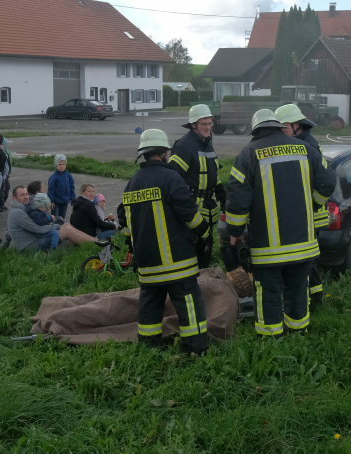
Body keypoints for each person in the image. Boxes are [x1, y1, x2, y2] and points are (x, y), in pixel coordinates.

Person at [225, 109, 336, 337]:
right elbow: (328, 181)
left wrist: (234, 231)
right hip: (303, 244)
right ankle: (298, 332)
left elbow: (237, 198)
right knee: (298, 289)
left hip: (268, 248)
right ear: (278, 126)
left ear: (256, 131)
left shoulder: (248, 154)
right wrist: (313, 204)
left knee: (269, 292)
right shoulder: (305, 149)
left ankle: (271, 336)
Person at [117, 128, 210, 354]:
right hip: (177, 262)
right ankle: (196, 348)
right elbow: (189, 213)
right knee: (188, 304)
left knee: (150, 305)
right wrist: (204, 232)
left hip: (148, 264)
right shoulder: (171, 178)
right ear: (164, 153)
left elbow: (125, 221)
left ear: (144, 154)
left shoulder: (132, 183)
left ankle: (149, 347)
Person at [275, 103, 333, 310]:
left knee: (307, 260)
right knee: (306, 260)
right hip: (305, 214)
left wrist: (312, 204)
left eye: (283, 127)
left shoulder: (307, 146)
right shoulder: (301, 142)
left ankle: (313, 300)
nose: (281, 132)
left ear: (296, 125)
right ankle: (312, 297)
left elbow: (324, 181)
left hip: (312, 214)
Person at [168, 104, 223, 269]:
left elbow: (213, 172)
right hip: (192, 213)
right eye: (203, 124)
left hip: (208, 211)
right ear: (193, 125)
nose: (208, 127)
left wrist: (221, 191)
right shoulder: (184, 145)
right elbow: (173, 179)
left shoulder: (207, 143)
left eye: (210, 123)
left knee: (205, 255)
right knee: (194, 258)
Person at [7, 186, 59, 252]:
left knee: (64, 228)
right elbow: (37, 229)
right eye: (22, 195)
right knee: (65, 231)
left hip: (31, 240)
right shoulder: (18, 212)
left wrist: (4, 245)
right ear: (14, 198)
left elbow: (9, 232)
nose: (26, 197)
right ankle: (54, 251)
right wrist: (54, 226)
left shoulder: (23, 208)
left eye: (27, 194)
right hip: (29, 246)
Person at [48, 153, 75, 220]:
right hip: (56, 202)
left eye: (63, 164)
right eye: (59, 164)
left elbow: (72, 187)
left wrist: (73, 198)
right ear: (56, 165)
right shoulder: (53, 177)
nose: (62, 166)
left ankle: (61, 226)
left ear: (66, 165)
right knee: (55, 218)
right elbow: (51, 190)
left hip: (65, 201)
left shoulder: (68, 176)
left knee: (62, 218)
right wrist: (51, 201)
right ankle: (54, 226)